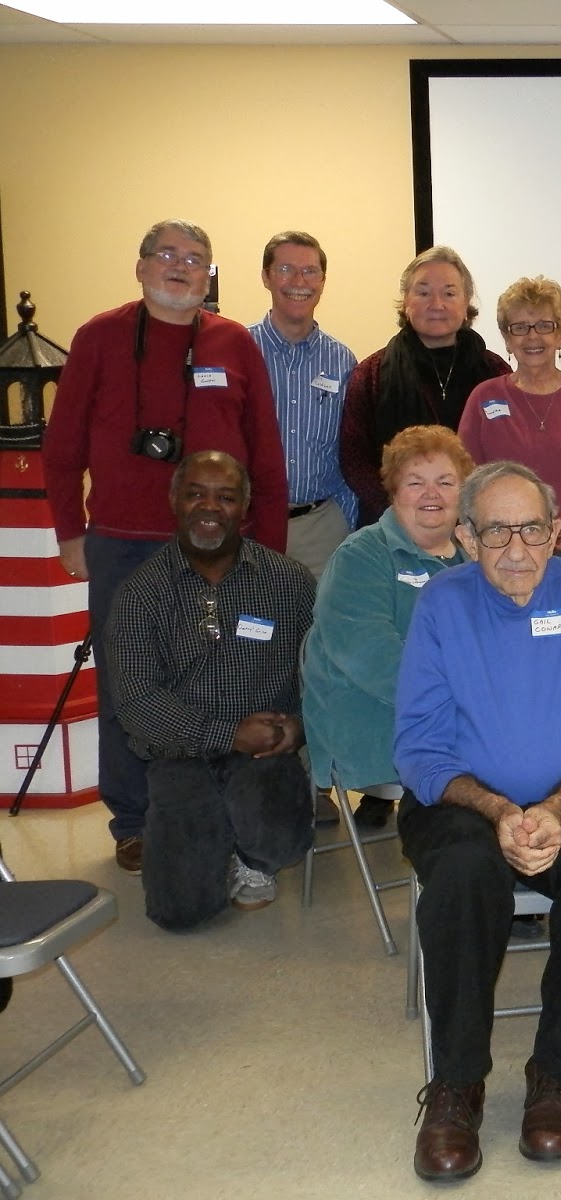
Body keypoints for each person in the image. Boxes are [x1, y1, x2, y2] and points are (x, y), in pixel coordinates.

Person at [395, 461, 561, 1181]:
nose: (516, 548)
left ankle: (557, 1077)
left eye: (531, 528)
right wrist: (503, 811)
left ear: (556, 532)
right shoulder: (442, 605)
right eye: (496, 530)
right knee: (466, 869)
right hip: (465, 802)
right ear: (467, 536)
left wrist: (560, 808)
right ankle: (456, 1085)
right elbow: (420, 745)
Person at [41, 218, 288, 876]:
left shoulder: (233, 342)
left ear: (210, 275)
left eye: (197, 258)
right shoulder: (98, 338)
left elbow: (264, 450)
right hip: (122, 545)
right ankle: (133, 821)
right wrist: (71, 531)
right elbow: (61, 448)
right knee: (129, 685)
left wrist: (270, 550)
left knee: (223, 678)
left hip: (220, 549)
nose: (182, 266)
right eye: (168, 255)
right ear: (142, 266)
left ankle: (216, 810)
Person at [102, 451, 314, 930]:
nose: (209, 507)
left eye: (226, 496)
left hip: (266, 754)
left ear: (245, 507)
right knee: (178, 912)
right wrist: (226, 733)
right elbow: (135, 701)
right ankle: (211, 836)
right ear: (174, 500)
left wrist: (300, 726)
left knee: (278, 838)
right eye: (196, 493)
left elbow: (321, 673)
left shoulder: (288, 581)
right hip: (181, 753)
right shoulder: (140, 593)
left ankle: (253, 857)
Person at [300, 426, 475, 831]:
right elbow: (376, 661)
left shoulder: (472, 558)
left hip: (452, 711)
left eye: (445, 482)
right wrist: (473, 700)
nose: (432, 494)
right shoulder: (360, 557)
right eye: (415, 483)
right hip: (373, 718)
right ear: (394, 492)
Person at [458, 276, 561, 566]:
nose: (532, 336)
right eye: (520, 328)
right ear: (507, 339)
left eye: (545, 326)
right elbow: (464, 481)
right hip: (502, 552)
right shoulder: (484, 397)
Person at [340, 246, 510, 526]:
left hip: (477, 525)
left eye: (449, 293)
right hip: (392, 526)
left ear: (466, 302)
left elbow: (507, 453)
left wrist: (471, 511)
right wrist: (402, 511)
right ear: (405, 301)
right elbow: (354, 459)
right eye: (423, 292)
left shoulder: (495, 373)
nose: (437, 304)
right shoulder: (370, 373)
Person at [248, 230, 359, 581]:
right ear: (266, 276)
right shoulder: (238, 350)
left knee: (317, 631)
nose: (299, 281)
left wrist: (344, 515)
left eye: (310, 271)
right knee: (253, 628)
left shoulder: (342, 360)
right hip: (250, 524)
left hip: (322, 530)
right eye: (285, 270)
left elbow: (352, 447)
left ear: (323, 281)